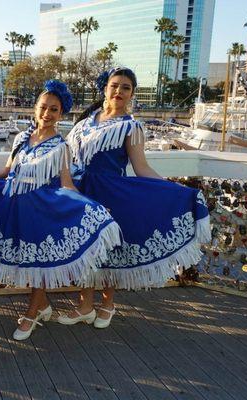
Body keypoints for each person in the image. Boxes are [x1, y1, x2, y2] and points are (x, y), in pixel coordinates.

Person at [0, 80, 121, 340]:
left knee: (38, 264)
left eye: (54, 110)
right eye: (43, 108)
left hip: (41, 211)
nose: (46, 114)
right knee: (23, 261)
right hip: (15, 207)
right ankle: (44, 306)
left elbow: (67, 184)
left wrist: (92, 207)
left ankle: (31, 313)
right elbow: (7, 171)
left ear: (61, 115)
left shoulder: (61, 147)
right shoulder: (21, 138)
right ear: (35, 109)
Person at [60, 67, 210, 328]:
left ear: (132, 94)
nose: (119, 91)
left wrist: (173, 189)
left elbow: (141, 168)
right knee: (85, 249)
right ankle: (85, 306)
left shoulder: (131, 126)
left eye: (126, 87)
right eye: (115, 85)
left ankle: (107, 304)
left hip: (110, 194)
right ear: (105, 88)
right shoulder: (84, 121)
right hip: (80, 193)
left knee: (110, 250)